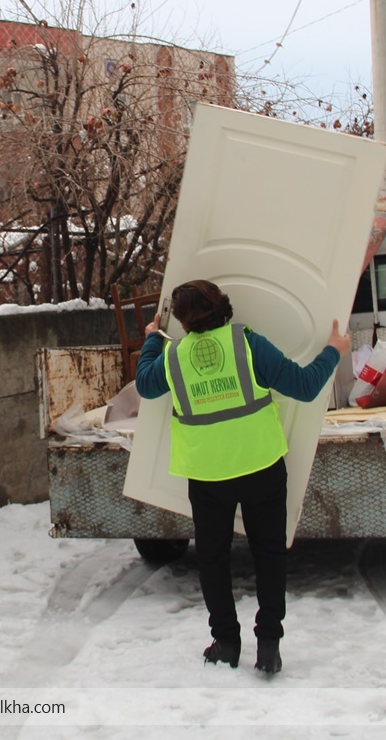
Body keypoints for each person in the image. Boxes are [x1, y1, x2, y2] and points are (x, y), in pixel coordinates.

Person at [134, 279, 349, 674]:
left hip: (207, 475)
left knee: (213, 559)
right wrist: (334, 351)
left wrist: (152, 339)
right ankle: (268, 644)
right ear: (223, 306)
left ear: (181, 320)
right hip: (261, 466)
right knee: (269, 555)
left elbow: (145, 386)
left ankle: (226, 643)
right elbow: (303, 386)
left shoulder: (174, 356)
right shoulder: (246, 344)